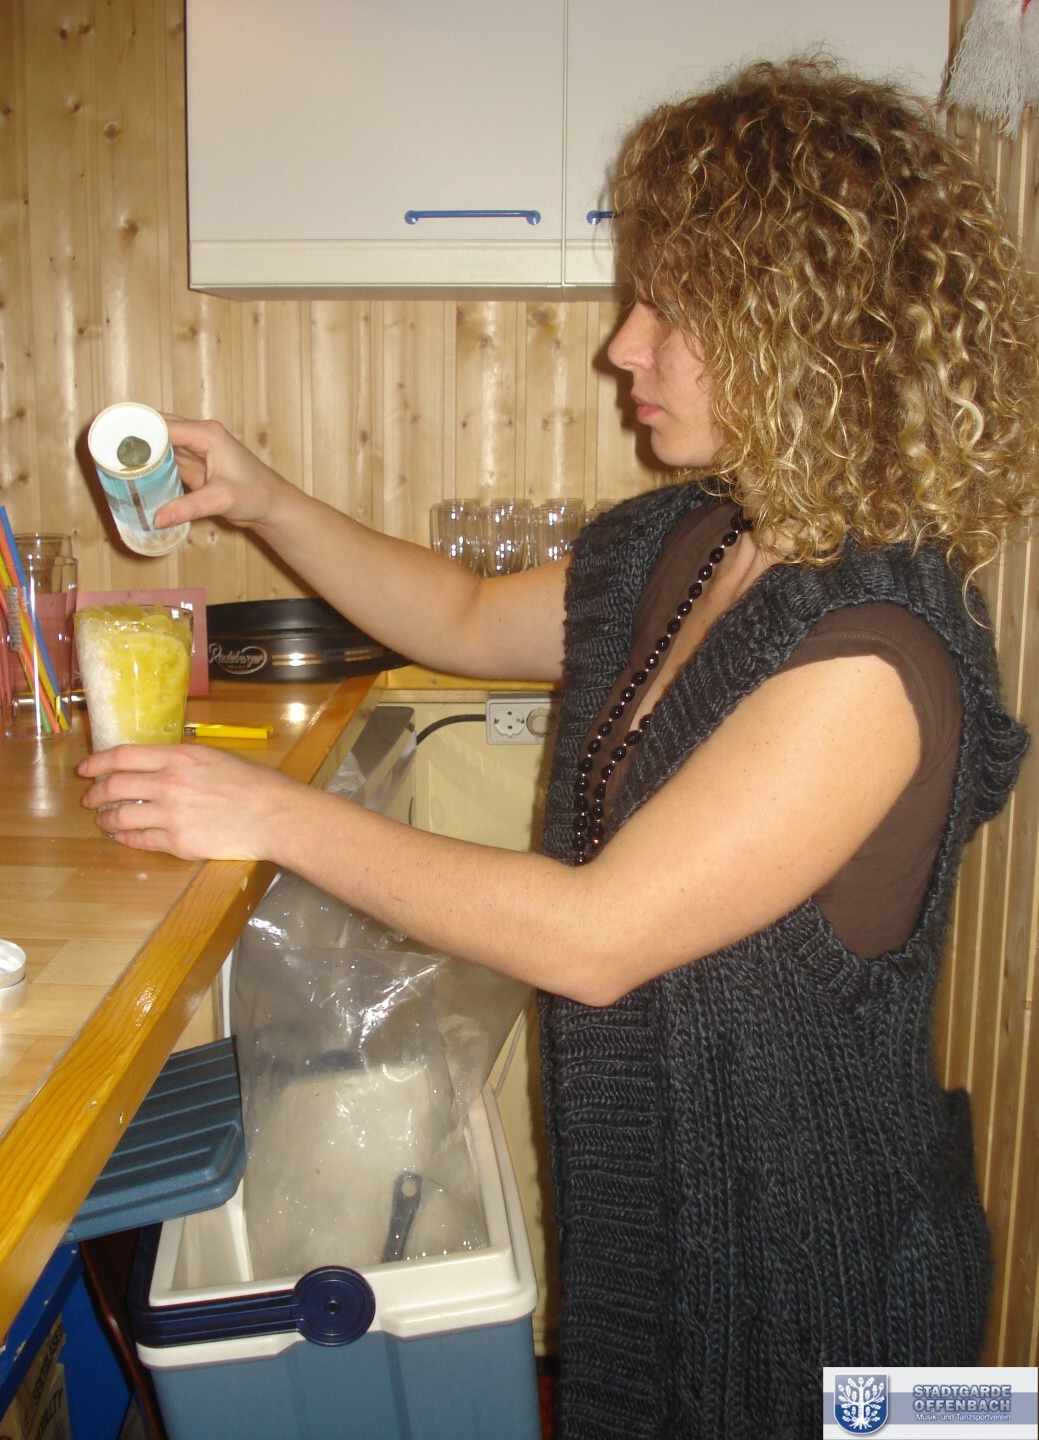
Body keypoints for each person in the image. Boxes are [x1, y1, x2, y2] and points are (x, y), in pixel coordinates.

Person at [79, 58, 1039, 1438]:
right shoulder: (691, 539)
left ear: (811, 334)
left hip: (833, 1300)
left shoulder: (874, 659)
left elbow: (596, 937)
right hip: (671, 1238)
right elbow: (466, 616)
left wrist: (270, 814)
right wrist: (266, 500)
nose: (623, 347)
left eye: (673, 311)